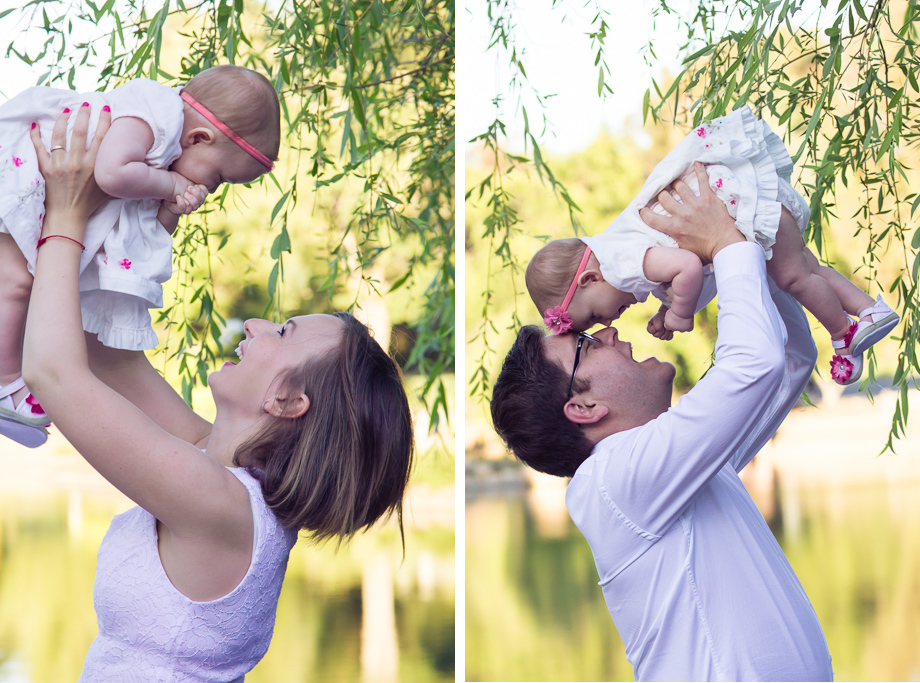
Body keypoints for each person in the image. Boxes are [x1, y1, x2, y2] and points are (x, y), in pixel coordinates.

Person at [24, 105, 413, 681]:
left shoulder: (223, 508)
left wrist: (66, 216)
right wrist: (144, 233)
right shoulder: (219, 467)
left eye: (282, 333)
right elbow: (103, 353)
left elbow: (55, 375)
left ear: (289, 402)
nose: (254, 326)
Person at [492, 163, 833, 680]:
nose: (607, 330)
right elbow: (755, 364)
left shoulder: (673, 469)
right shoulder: (612, 482)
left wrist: (755, 243)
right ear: (582, 408)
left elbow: (787, 360)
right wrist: (725, 242)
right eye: (586, 342)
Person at [0, 65, 280, 447]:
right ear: (199, 137)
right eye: (216, 179)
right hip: (25, 172)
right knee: (16, 282)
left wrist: (171, 209)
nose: (206, 189)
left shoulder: (161, 162)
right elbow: (111, 174)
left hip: (50, 198)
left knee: (24, 285)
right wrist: (170, 185)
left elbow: (143, 237)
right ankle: (4, 379)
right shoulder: (156, 113)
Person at [525, 106, 898, 387]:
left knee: (793, 278)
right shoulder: (625, 254)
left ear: (590, 278)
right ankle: (868, 309)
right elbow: (695, 270)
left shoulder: (619, 262)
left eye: (593, 316)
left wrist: (680, 315)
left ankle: (843, 333)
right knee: (806, 269)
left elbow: (688, 267)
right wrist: (667, 309)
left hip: (738, 207)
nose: (606, 323)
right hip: (741, 200)